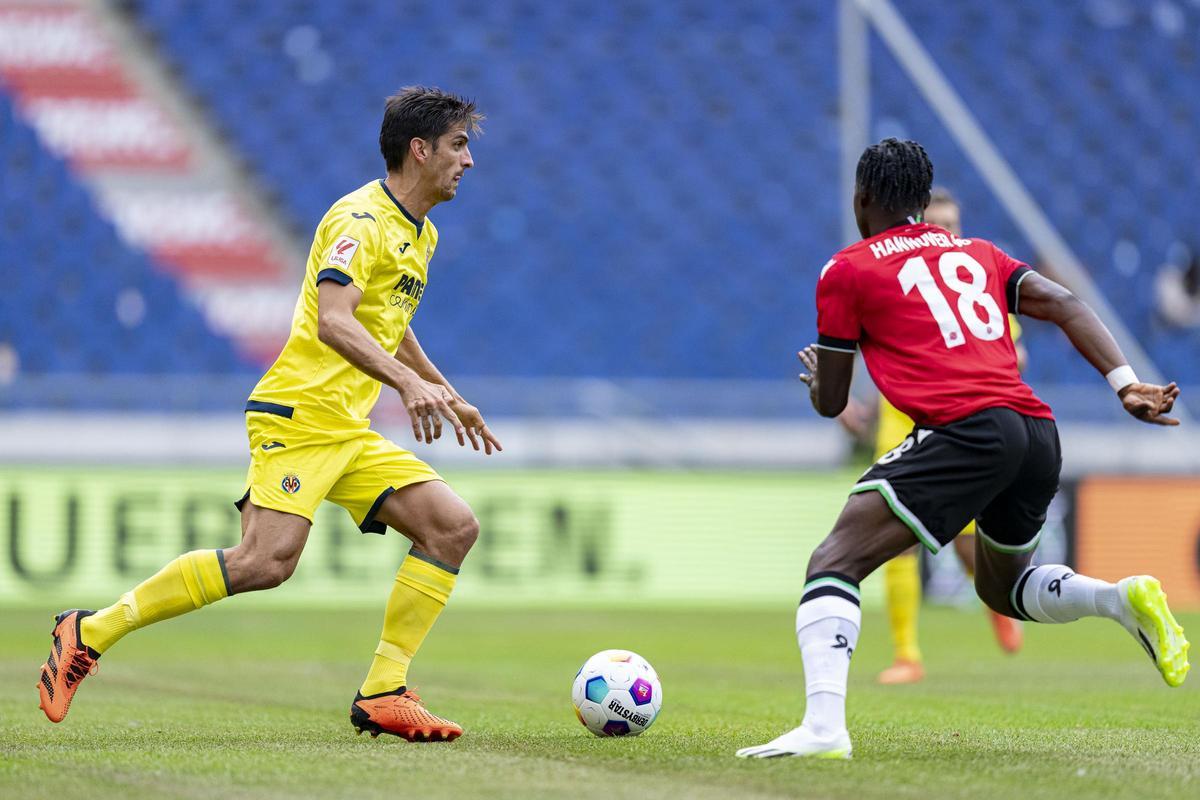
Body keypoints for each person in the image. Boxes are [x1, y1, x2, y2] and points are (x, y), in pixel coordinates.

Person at [38, 86, 501, 743]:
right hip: (299, 415)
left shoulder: (420, 234)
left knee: (451, 528)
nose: (469, 160)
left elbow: (386, 323)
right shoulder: (359, 222)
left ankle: (383, 690)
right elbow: (335, 320)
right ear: (420, 150)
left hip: (346, 427)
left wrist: (443, 391)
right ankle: (88, 631)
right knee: (265, 562)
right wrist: (405, 385)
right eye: (459, 145)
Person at [737, 138, 1188, 760]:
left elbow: (833, 400)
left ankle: (823, 727)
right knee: (1004, 589)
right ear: (924, 202)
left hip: (966, 429)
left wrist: (819, 385)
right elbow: (1066, 303)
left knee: (834, 560)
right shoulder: (978, 253)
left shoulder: (846, 269)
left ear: (860, 198)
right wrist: (1126, 384)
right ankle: (1117, 598)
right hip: (1035, 431)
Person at [873, 187, 1025, 685]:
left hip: (958, 422)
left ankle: (996, 603)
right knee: (896, 540)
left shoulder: (973, 279)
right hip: (900, 423)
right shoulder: (893, 278)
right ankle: (907, 655)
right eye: (936, 225)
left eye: (952, 226)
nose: (945, 235)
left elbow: (1011, 349)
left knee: (965, 544)